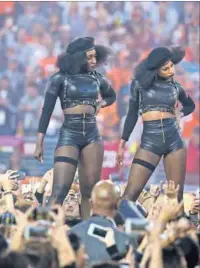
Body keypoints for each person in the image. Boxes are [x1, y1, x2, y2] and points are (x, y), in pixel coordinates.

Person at [35, 37, 116, 218]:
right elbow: (46, 110)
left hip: (92, 134)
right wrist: (39, 142)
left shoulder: (97, 78)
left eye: (96, 57)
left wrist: (101, 104)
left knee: (90, 192)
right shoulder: (59, 78)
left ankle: (88, 231)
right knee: (60, 190)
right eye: (90, 57)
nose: (94, 61)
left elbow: (112, 96)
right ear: (78, 57)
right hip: (69, 134)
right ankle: (44, 231)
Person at [117, 46, 195, 202]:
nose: (171, 71)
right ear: (155, 70)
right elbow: (132, 114)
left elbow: (190, 105)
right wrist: (122, 142)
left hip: (174, 140)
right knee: (129, 195)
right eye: (165, 69)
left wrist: (179, 113)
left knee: (176, 198)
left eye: (172, 66)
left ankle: (173, 226)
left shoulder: (175, 86)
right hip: (150, 140)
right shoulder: (138, 85)